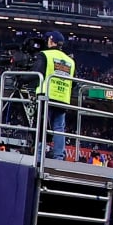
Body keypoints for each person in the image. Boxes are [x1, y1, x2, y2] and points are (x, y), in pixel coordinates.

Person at [37, 29, 75, 160]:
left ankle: (39, 156)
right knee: (59, 128)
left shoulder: (45, 55)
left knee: (42, 126)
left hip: (47, 96)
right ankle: (59, 156)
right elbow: (74, 83)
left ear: (51, 41)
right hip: (63, 98)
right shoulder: (70, 61)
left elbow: (37, 73)